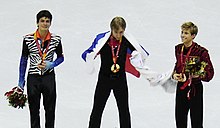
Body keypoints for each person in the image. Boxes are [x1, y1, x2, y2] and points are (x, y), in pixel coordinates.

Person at [82, 16, 168, 128]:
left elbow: (139, 54)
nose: (118, 35)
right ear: (111, 29)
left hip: (120, 80)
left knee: (124, 110)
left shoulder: (127, 41)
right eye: (116, 32)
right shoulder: (102, 41)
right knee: (97, 109)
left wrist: (136, 57)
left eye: (121, 32)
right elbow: (90, 52)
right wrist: (90, 58)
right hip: (104, 79)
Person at [16, 10, 64, 128]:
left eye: (47, 21)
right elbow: (23, 60)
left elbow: (61, 57)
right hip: (33, 78)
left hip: (48, 77)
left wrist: (52, 64)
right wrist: (21, 81)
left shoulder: (56, 39)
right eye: (42, 21)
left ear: (50, 23)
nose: (45, 24)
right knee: (34, 110)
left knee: (50, 109)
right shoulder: (28, 39)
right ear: (37, 23)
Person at [172, 22, 214, 128]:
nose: (182, 35)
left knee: (196, 122)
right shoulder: (178, 49)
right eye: (182, 32)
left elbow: (209, 73)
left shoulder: (201, 52)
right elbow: (178, 65)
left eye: (186, 33)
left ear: (193, 36)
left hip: (195, 90)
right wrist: (174, 75)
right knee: (180, 121)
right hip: (181, 88)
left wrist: (192, 76)